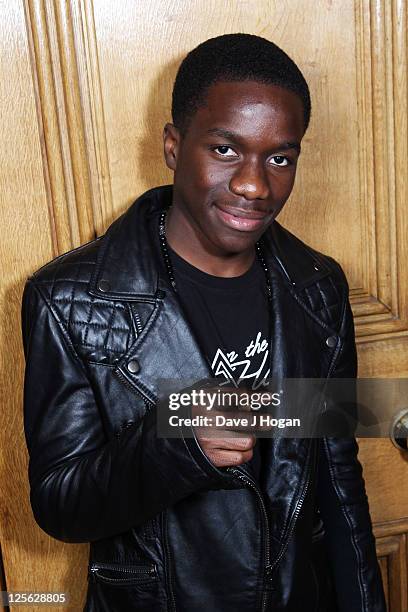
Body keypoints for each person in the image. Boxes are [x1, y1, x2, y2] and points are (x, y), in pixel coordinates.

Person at [21, 33, 386, 611]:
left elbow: (339, 481)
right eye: (224, 150)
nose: (253, 185)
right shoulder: (70, 300)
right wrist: (176, 444)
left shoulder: (318, 287)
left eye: (280, 158)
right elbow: (59, 505)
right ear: (173, 144)